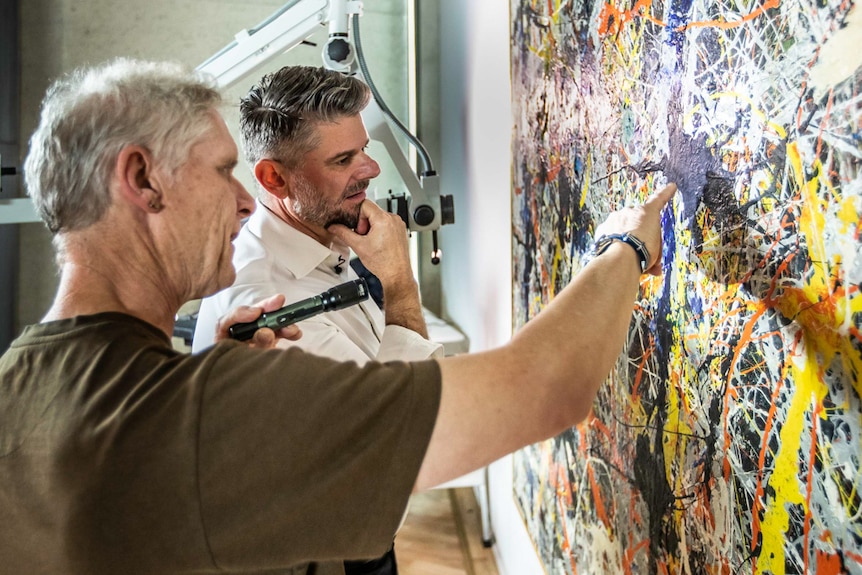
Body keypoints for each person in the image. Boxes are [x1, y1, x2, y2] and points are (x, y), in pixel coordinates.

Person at [0, 58, 676, 575]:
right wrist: (628, 245)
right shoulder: (208, 409)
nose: (241, 204)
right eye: (222, 171)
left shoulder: (18, 378)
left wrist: (212, 374)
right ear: (143, 179)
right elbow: (547, 387)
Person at [191, 65, 442, 575]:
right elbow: (390, 449)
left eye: (364, 149)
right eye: (343, 159)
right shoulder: (269, 310)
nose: (370, 169)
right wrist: (399, 284)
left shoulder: (328, 234)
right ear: (273, 178)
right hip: (327, 550)